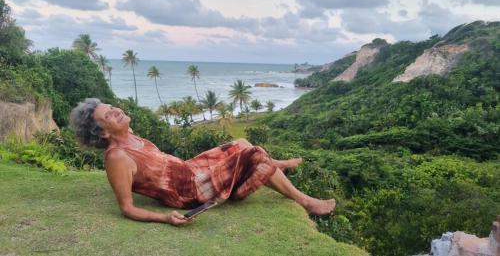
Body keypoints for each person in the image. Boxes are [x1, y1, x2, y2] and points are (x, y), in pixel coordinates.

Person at [70, 98, 336, 226]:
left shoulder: (130, 136)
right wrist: (164, 218)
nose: (117, 110)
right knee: (252, 153)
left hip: (189, 169)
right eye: (110, 115)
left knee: (241, 142)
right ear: (103, 132)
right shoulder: (117, 157)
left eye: (112, 107)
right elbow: (127, 208)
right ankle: (305, 200)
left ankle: (272, 163)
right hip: (189, 190)